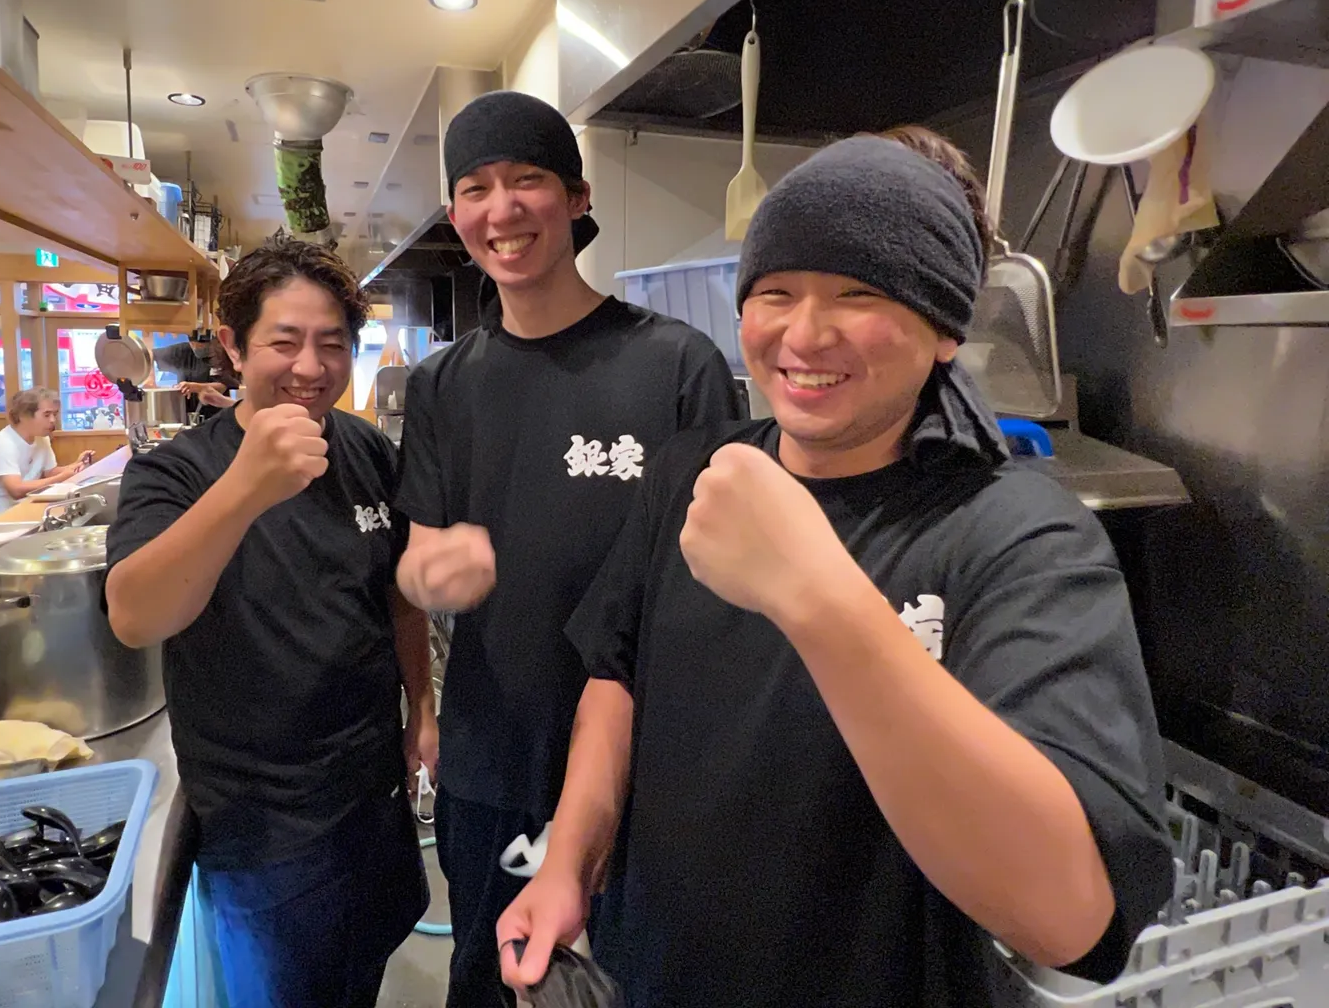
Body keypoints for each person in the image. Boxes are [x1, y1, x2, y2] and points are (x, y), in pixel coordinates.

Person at [497, 131, 1173, 1007]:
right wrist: (569, 865)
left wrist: (817, 595)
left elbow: (1070, 922)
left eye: (859, 295)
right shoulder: (696, 476)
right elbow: (616, 679)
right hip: (657, 976)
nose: (805, 334)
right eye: (775, 293)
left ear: (941, 331)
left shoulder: (1017, 535)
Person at [393, 89, 743, 1007]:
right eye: (474, 189)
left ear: (578, 197)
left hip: (646, 766)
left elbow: (719, 581)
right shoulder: (442, 387)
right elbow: (418, 550)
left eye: (528, 180)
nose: (501, 210)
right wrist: (429, 570)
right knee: (493, 982)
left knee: (639, 985)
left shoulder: (676, 365)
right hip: (492, 757)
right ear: (456, 212)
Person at [104, 236, 433, 1008]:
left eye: (332, 345)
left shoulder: (361, 449)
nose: (311, 368)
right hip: (262, 826)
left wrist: (422, 710)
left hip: (372, 792)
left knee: (362, 972)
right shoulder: (178, 471)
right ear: (233, 346)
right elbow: (134, 615)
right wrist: (246, 487)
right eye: (284, 342)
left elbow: (398, 597)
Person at [0, 388, 92, 520]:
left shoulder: (42, 437)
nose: (52, 420)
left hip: (24, 507)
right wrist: (62, 477)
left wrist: (75, 466)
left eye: (54, 414)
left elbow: (50, 472)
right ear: (23, 416)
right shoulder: (3, 443)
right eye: (46, 415)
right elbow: (16, 490)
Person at [154, 330, 240, 420]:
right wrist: (150, 379)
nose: (195, 347)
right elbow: (150, 355)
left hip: (216, 416)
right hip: (186, 416)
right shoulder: (184, 351)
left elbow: (223, 386)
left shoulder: (222, 354)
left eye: (200, 345)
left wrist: (195, 387)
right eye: (192, 344)